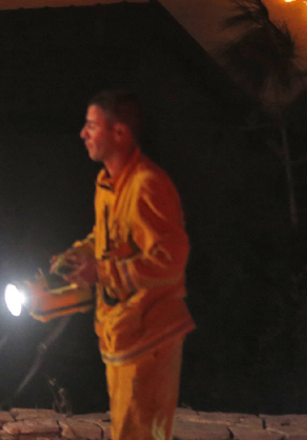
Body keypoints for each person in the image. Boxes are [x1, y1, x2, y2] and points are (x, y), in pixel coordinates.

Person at [51, 90, 195, 440]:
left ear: (120, 133)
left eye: (91, 126)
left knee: (140, 434)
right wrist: (77, 255)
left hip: (152, 335)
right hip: (122, 333)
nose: (83, 134)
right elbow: (105, 238)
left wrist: (101, 273)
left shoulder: (148, 185)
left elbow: (170, 259)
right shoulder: (108, 184)